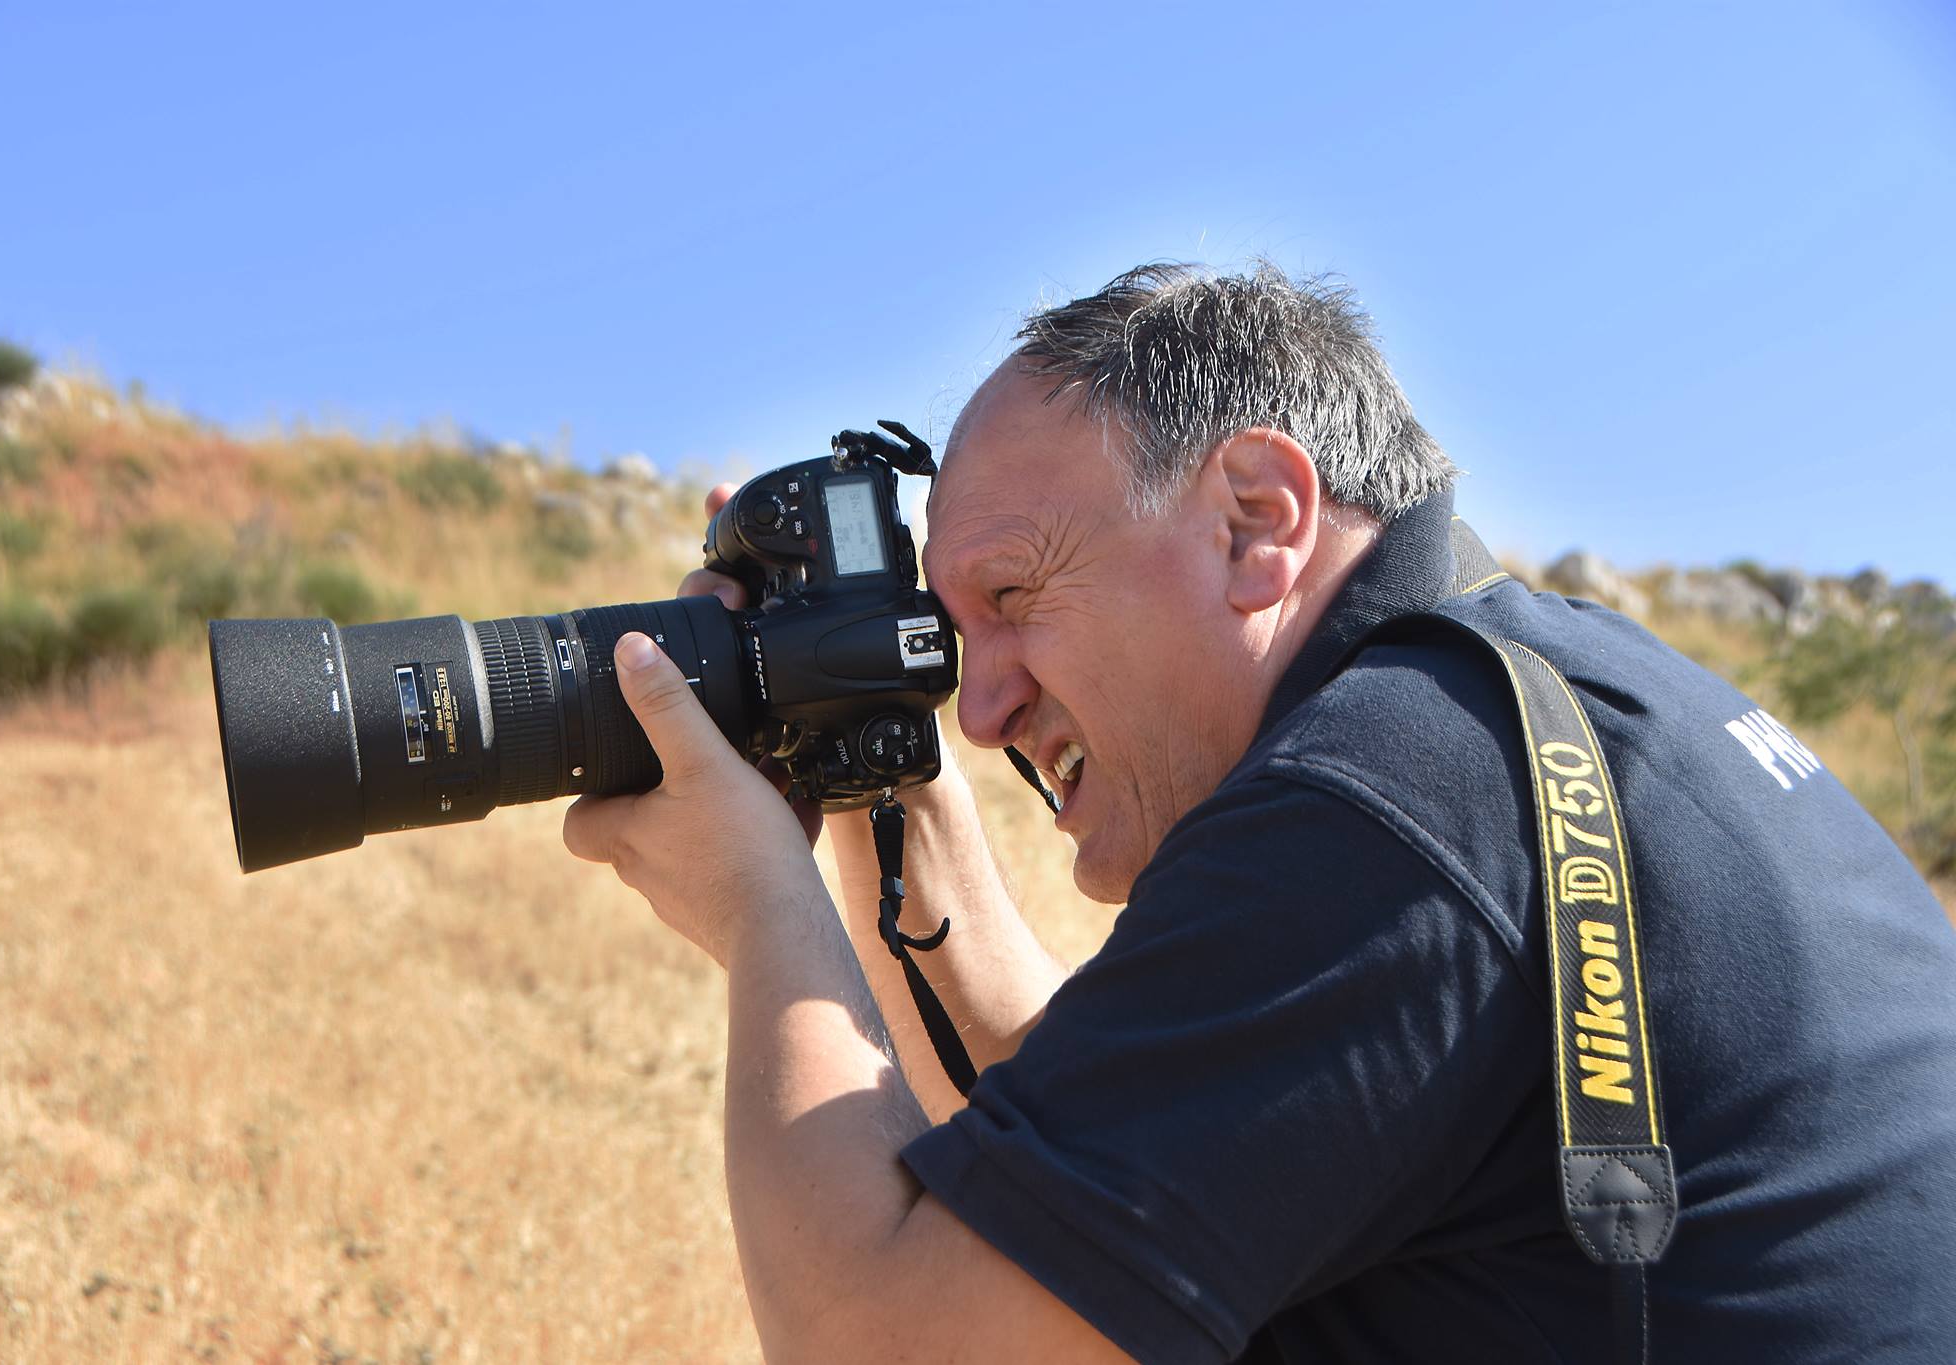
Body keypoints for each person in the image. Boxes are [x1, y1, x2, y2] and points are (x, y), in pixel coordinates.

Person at [560, 263, 1956, 1363]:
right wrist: (876, 790)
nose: (977, 713)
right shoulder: (1525, 702)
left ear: (1254, 519)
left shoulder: (1395, 795)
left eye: (1011, 598)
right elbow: (1136, 1160)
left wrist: (763, 908)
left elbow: (890, 1340)